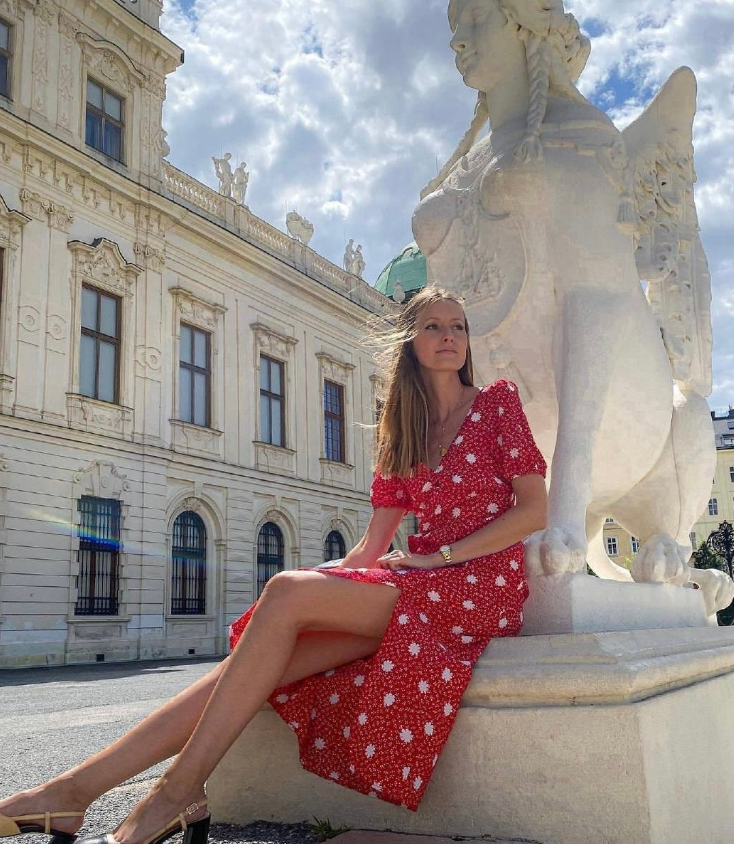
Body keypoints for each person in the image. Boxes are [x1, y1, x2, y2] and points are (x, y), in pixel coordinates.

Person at [0, 285, 547, 844]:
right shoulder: (403, 431)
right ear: (410, 342)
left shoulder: (496, 404)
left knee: (284, 592)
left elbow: (534, 510)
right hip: (413, 588)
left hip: (479, 590)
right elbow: (369, 547)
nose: (449, 336)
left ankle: (172, 793)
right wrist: (327, 582)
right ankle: (71, 792)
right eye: (433, 326)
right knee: (249, 665)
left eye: (458, 326)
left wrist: (439, 557)